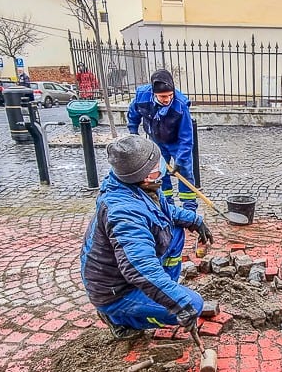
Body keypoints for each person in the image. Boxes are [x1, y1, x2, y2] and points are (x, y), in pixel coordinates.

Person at [80, 135, 213, 340]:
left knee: (176, 232)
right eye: (155, 164)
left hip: (126, 274)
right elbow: (140, 268)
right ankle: (118, 318)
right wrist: (178, 302)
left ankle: (164, 287)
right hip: (116, 291)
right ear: (143, 175)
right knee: (193, 305)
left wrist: (194, 219)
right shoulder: (124, 213)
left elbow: (163, 211)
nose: (162, 166)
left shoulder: (140, 185)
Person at [127, 69, 198, 212]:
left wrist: (180, 160)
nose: (167, 99)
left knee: (185, 173)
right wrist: (133, 133)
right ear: (154, 93)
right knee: (158, 173)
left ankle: (189, 210)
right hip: (156, 140)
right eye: (162, 96)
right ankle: (166, 206)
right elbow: (133, 114)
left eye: (170, 95)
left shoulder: (180, 104)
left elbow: (187, 137)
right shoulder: (142, 96)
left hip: (177, 142)